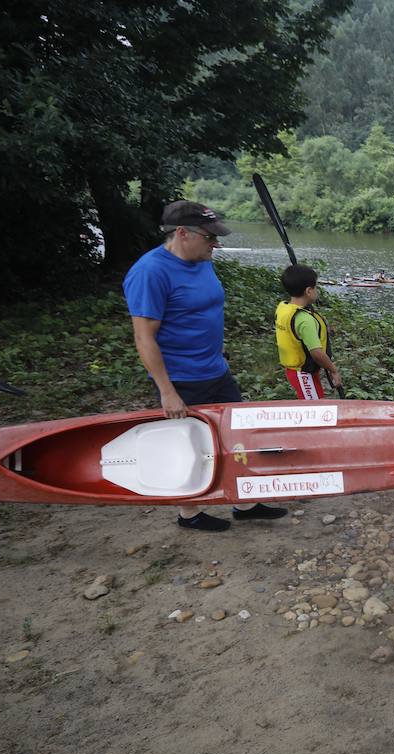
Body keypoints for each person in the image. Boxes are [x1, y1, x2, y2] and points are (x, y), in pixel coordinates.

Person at [124, 200, 288, 532]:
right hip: (182, 379)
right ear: (182, 233)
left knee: (236, 437)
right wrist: (167, 392)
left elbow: (204, 311)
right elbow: (144, 338)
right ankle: (189, 514)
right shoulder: (150, 272)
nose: (215, 244)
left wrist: (218, 353)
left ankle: (244, 503)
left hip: (215, 370)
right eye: (209, 237)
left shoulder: (202, 261)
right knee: (188, 446)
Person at [275, 264, 341, 399]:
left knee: (317, 399)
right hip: (302, 373)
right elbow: (317, 353)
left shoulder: (285, 308)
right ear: (309, 291)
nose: (317, 290)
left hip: (298, 371)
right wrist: (333, 370)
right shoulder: (304, 320)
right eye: (315, 287)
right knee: (314, 407)